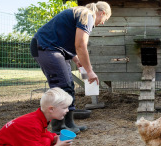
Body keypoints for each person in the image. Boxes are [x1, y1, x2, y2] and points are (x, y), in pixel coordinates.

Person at [30, 2, 112, 134]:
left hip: (53, 48)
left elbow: (65, 37)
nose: (103, 23)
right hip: (46, 47)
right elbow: (80, 45)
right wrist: (89, 71)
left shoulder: (81, 13)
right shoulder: (88, 16)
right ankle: (58, 127)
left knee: (68, 85)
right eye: (105, 19)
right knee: (61, 86)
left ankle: (69, 123)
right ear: (102, 13)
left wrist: (75, 58)